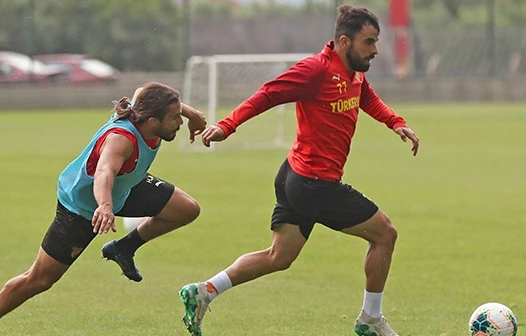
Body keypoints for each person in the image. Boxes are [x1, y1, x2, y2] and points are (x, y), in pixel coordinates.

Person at [179, 5, 419, 336]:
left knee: (279, 256)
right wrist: (227, 126)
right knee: (385, 234)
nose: (375, 50)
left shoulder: (354, 71)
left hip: (294, 175)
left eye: (376, 41)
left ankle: (205, 291)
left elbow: (366, 97)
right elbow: (268, 94)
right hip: (313, 184)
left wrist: (396, 122)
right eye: (369, 42)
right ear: (345, 42)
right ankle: (371, 319)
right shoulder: (315, 70)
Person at [0, 82, 207, 336]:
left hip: (126, 186)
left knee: (186, 209)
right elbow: (104, 172)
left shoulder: (142, 110)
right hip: (82, 206)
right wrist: (105, 205)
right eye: (175, 117)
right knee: (40, 279)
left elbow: (144, 91)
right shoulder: (120, 140)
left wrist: (192, 115)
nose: (179, 122)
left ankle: (124, 247)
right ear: (153, 121)